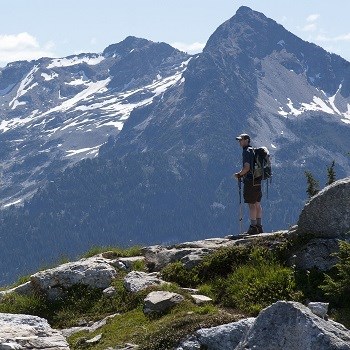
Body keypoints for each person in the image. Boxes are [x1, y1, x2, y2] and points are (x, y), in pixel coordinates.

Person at [234, 133, 263, 235]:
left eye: (241, 140)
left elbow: (247, 167)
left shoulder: (246, 151)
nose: (239, 142)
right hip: (258, 180)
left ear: (246, 140)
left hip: (250, 181)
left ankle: (253, 227)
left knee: (251, 204)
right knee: (257, 203)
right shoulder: (254, 150)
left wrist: (239, 174)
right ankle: (259, 226)